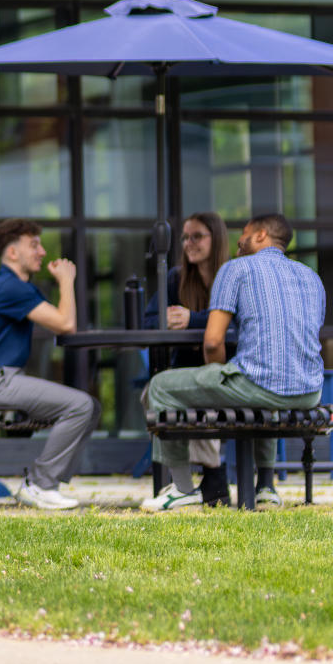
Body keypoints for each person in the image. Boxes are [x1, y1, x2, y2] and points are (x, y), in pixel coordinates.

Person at [141, 213, 324, 513]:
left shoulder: (236, 269)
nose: (239, 240)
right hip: (309, 391)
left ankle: (184, 489)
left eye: (245, 233)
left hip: (261, 385)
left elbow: (212, 341)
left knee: (160, 386)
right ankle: (265, 489)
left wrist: (218, 372)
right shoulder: (310, 277)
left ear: (262, 235)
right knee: (264, 392)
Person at [0, 219, 97, 511]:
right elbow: (65, 324)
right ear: (12, 253)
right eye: (33, 244)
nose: (42, 251)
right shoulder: (9, 287)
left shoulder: (15, 287)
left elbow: (60, 320)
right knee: (80, 405)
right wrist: (66, 280)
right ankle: (40, 484)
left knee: (90, 407)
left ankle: (46, 483)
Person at [139, 211, 231, 504]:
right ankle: (188, 482)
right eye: (185, 237)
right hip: (184, 368)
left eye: (198, 236)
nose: (189, 243)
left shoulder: (232, 276)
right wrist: (165, 319)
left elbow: (238, 322)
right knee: (151, 395)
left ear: (215, 239)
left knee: (193, 395)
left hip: (227, 369)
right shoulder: (175, 277)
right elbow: (148, 321)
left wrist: (193, 319)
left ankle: (207, 476)